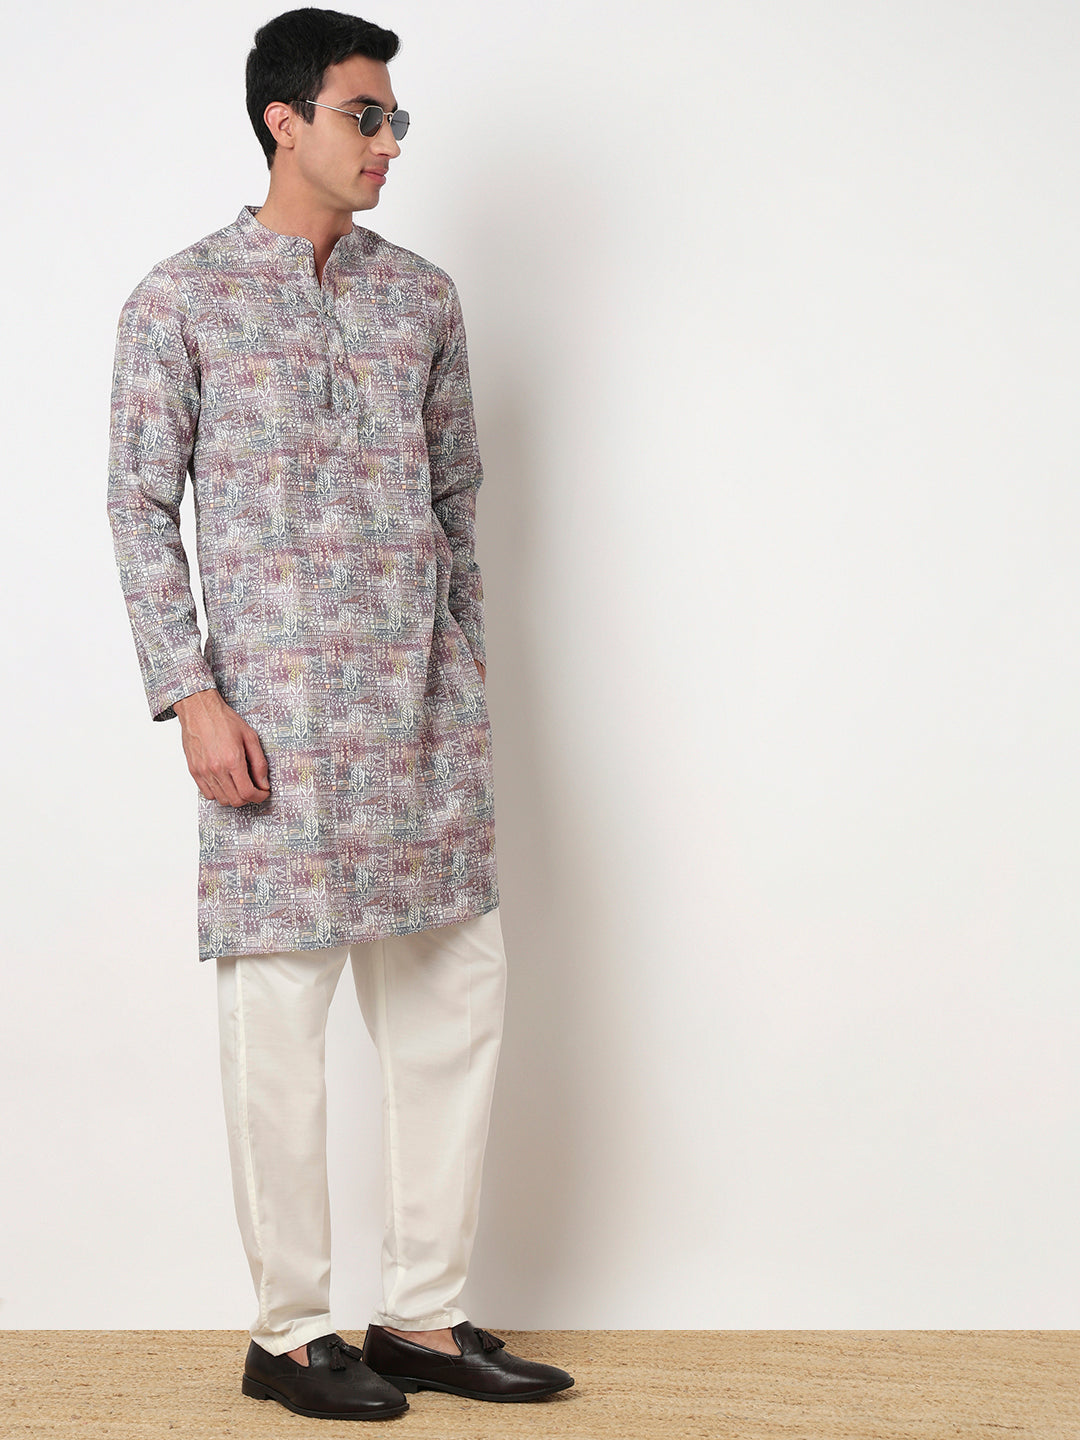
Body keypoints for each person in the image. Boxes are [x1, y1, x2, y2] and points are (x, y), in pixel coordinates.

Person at [106, 6, 574, 1423]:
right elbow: (138, 506)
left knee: (454, 1013)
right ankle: (291, 1332)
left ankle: (422, 1317)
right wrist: (191, 692)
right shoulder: (180, 299)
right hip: (275, 724)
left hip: (421, 717)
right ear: (284, 120)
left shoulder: (421, 297)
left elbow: (456, 502)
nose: (388, 142)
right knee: (277, 1035)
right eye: (365, 114)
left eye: (395, 119)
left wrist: (463, 674)